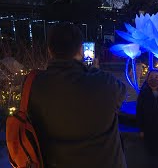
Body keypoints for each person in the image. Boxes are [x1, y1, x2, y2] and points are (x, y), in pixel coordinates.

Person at [28, 22, 127, 168]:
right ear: (81, 50)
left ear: (49, 50)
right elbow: (121, 95)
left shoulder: (35, 85)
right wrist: (94, 71)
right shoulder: (105, 83)